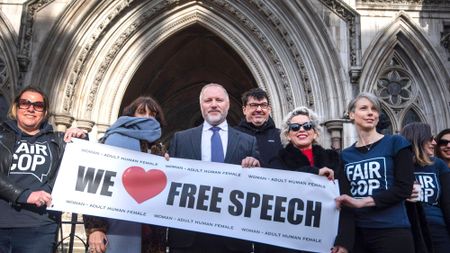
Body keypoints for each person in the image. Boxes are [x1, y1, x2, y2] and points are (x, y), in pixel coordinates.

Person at [168, 83, 260, 253]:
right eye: (208, 100)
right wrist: (163, 167)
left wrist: (256, 168)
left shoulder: (248, 142)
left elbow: (257, 189)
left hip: (232, 238)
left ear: (228, 104)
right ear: (201, 105)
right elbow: (170, 185)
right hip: (188, 237)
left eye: (219, 100)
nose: (213, 104)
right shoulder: (181, 139)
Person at [0, 86, 87, 253]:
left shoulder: (58, 141)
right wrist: (25, 195)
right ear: (16, 107)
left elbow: (81, 161)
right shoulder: (1, 136)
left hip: (39, 227)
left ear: (45, 112)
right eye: (25, 103)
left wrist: (82, 136)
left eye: (38, 105)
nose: (31, 108)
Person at [256, 106, 352, 253]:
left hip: (327, 241)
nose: (302, 130)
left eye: (307, 126)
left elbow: (347, 202)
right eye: (295, 127)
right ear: (288, 135)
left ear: (315, 133)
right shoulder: (277, 162)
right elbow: (282, 188)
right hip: (288, 242)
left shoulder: (333, 159)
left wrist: (344, 241)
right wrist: (314, 173)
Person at [84, 96, 167, 253]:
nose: (147, 117)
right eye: (142, 112)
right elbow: (94, 185)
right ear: (131, 115)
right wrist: (95, 228)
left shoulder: (158, 149)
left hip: (150, 236)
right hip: (114, 230)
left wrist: (168, 165)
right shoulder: (110, 141)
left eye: (152, 114)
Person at [335, 92, 416, 253]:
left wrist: (362, 202)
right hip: (359, 233)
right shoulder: (345, 155)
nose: (370, 112)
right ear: (351, 114)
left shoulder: (396, 142)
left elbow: (404, 188)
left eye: (374, 109)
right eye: (364, 108)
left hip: (392, 230)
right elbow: (344, 197)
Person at [401, 122, 450, 253]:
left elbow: (447, 203)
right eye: (430, 138)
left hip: (437, 228)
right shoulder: (398, 165)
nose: (434, 143)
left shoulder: (438, 165)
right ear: (418, 139)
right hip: (408, 228)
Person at [234, 88, 282, 167]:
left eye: (263, 105)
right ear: (244, 110)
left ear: (269, 110)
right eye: (254, 105)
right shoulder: (232, 135)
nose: (259, 109)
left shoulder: (281, 136)